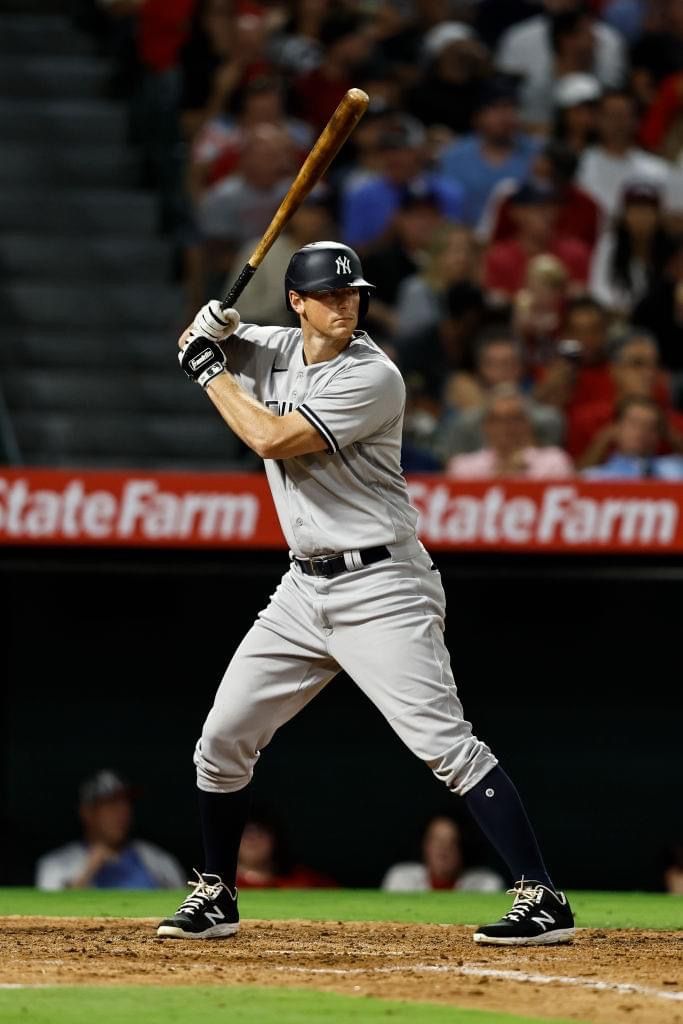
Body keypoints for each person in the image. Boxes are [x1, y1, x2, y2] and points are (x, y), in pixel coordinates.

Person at [155, 241, 576, 945]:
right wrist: (209, 330)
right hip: (301, 588)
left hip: (382, 586)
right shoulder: (277, 345)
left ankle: (543, 897)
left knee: (446, 745)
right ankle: (218, 893)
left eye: (354, 295)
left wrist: (208, 371)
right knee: (221, 741)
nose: (347, 305)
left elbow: (270, 437)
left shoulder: (373, 375)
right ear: (298, 301)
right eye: (332, 296)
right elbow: (205, 343)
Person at [35, 770, 184, 891]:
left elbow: (187, 909)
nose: (123, 813)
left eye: (126, 804)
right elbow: (48, 920)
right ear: (87, 812)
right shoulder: (56, 864)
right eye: (111, 804)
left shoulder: (157, 859)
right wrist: (87, 871)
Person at [438, 73, 541, 228]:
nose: (505, 116)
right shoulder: (454, 156)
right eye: (495, 108)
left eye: (511, 107)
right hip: (466, 243)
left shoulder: (537, 154)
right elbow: (447, 212)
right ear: (478, 115)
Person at [447, 385, 574, 479]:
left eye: (515, 419)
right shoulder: (464, 466)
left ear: (528, 423)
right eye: (498, 419)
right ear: (486, 426)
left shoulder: (554, 462)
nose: (506, 427)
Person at [382, 815, 504, 893]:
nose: (443, 849)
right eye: (436, 840)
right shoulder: (400, 878)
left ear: (463, 848)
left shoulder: (487, 884)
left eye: (452, 841)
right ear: (425, 846)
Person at [582, 396, 683, 479]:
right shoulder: (593, 477)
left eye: (651, 426)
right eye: (634, 423)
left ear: (660, 434)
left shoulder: (676, 471)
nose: (642, 431)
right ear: (616, 428)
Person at [236, 813, 337, 889]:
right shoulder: (223, 886)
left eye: (261, 832)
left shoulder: (304, 880)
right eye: (245, 833)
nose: (252, 839)